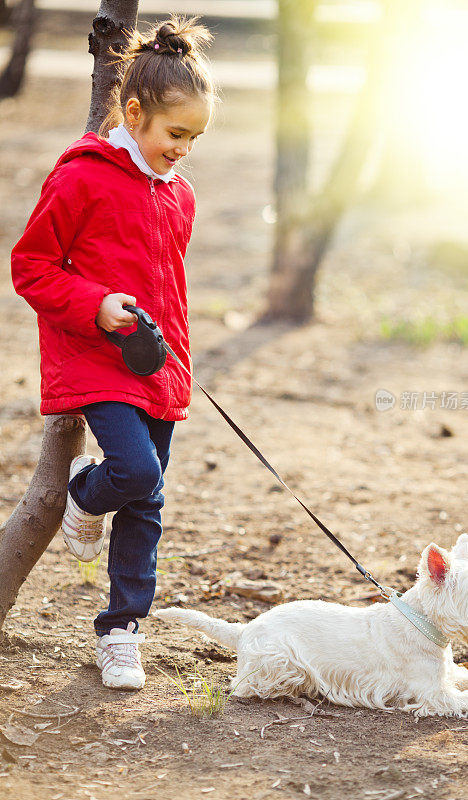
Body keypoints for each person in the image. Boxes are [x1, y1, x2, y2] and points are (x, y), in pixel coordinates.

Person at [11, 16, 215, 690]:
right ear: (134, 113)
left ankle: (122, 627)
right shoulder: (82, 178)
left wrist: (177, 358)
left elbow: (171, 287)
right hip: (94, 355)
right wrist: (96, 304)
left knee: (148, 500)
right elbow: (32, 267)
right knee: (134, 474)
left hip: (154, 360)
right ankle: (82, 492)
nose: (184, 150)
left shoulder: (178, 195)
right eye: (175, 134)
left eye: (194, 138)